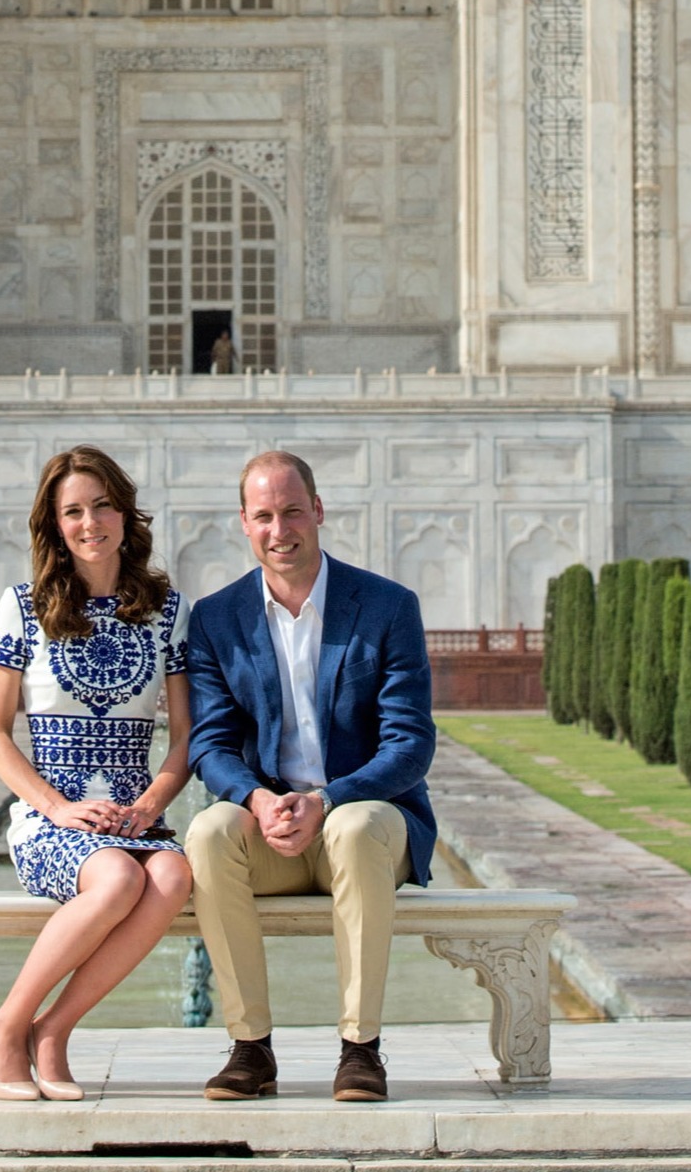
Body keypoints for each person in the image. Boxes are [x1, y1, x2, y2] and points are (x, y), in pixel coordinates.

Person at [184, 448, 435, 1106]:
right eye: (264, 515)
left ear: (318, 511)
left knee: (352, 827)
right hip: (276, 831)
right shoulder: (216, 619)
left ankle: (360, 1050)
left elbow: (410, 745)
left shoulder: (385, 607)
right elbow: (209, 746)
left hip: (369, 824)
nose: (280, 529)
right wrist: (257, 799)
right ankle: (250, 1047)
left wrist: (327, 799)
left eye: (292, 511)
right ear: (244, 522)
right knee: (209, 831)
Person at [0, 445, 193, 1102]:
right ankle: (7, 1026)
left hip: (133, 812)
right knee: (119, 875)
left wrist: (154, 802)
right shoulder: (23, 607)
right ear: (54, 523)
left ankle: (55, 1030)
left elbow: (185, 737)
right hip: (53, 818)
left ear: (127, 515)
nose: (89, 522)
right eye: (73, 511)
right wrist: (57, 808)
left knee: (175, 873)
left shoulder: (167, 611)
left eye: (102, 506)